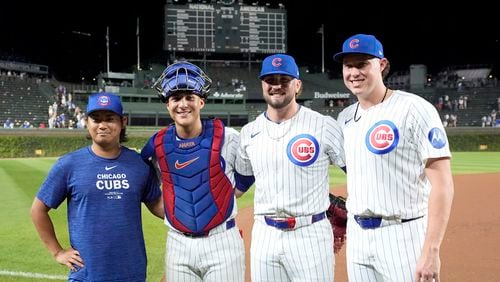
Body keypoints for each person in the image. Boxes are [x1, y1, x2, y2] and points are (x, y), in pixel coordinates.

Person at [333, 34, 454, 281]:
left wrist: (431, 250)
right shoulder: (344, 118)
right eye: (349, 65)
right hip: (359, 240)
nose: (354, 72)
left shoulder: (414, 109)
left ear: (382, 64)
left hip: (403, 234)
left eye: (362, 63)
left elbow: (443, 184)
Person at [235, 54, 346, 281]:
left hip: (310, 233)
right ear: (263, 85)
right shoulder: (249, 133)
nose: (276, 86)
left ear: (297, 85)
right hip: (265, 235)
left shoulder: (323, 125)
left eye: (284, 80)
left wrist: (358, 209)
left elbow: (359, 171)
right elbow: (240, 185)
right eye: (270, 80)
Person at [31, 93, 164, 281]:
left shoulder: (139, 164)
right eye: (96, 119)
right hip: (86, 274)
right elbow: (37, 210)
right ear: (87, 122)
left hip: (131, 272)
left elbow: (159, 207)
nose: (102, 125)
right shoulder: (69, 164)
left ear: (122, 122)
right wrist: (58, 252)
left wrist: (194, 215)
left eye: (110, 119)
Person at [142, 61, 255, 282]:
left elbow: (246, 176)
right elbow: (146, 187)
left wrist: (223, 200)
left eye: (189, 97)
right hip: (178, 244)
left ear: (201, 101)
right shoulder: (156, 145)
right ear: (167, 105)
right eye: (175, 98)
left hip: (222, 241)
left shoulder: (228, 137)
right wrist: (169, 212)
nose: (183, 104)